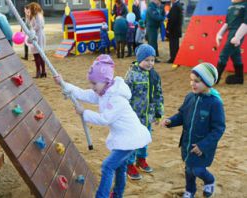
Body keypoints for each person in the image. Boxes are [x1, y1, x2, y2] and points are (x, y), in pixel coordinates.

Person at [54, 55, 151, 198]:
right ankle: (117, 194)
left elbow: (105, 119)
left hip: (130, 139)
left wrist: (84, 112)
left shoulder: (116, 98)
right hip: (123, 138)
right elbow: (82, 93)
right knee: (119, 167)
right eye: (91, 83)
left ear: (106, 81)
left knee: (108, 166)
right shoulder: (103, 92)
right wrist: (63, 83)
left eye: (94, 84)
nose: (92, 87)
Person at [161, 63, 225, 198]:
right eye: (191, 80)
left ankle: (209, 180)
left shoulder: (215, 103)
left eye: (197, 81)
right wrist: (171, 121)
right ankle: (190, 190)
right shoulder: (190, 97)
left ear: (207, 82)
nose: (192, 84)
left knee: (197, 169)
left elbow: (218, 129)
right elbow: (182, 115)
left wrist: (203, 145)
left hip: (202, 146)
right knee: (189, 169)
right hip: (187, 143)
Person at [124, 44, 164, 180]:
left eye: (152, 60)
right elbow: (125, 96)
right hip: (134, 117)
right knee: (133, 141)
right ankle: (129, 164)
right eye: (146, 60)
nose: (150, 63)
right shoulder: (132, 75)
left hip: (148, 116)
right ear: (139, 59)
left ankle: (141, 159)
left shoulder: (154, 75)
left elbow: (158, 94)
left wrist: (159, 113)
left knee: (144, 139)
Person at [215, 0, 246, 84]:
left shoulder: (245, 5)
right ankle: (239, 77)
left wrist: (238, 36)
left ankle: (215, 78)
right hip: (230, 32)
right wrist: (219, 33)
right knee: (235, 54)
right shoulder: (230, 7)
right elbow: (227, 22)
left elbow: (246, 22)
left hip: (237, 31)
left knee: (224, 53)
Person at [25, 2, 46, 78]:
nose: (29, 10)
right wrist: (27, 16)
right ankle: (41, 71)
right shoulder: (32, 16)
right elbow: (27, 24)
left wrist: (31, 31)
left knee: (39, 54)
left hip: (38, 36)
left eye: (30, 8)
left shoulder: (38, 15)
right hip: (34, 35)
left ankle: (41, 71)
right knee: (36, 54)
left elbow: (38, 26)